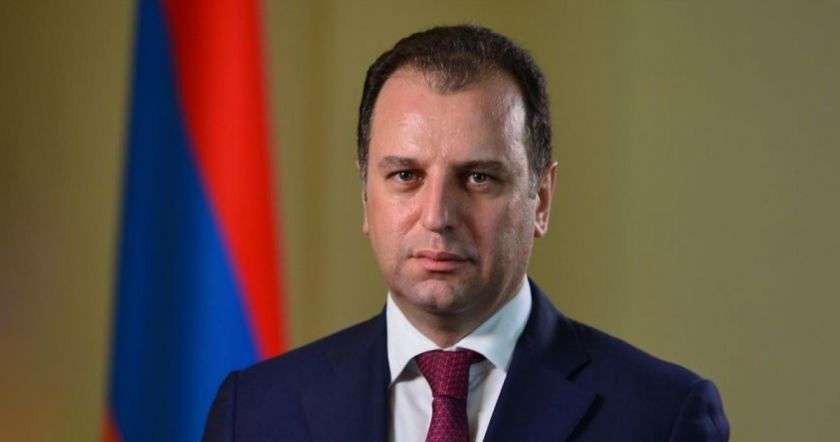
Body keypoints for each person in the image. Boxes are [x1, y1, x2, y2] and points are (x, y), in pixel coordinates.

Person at [203, 25, 730, 441]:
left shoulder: (661, 417)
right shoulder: (254, 412)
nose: (437, 216)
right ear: (366, 196)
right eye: (405, 176)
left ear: (542, 199)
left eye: (478, 177)